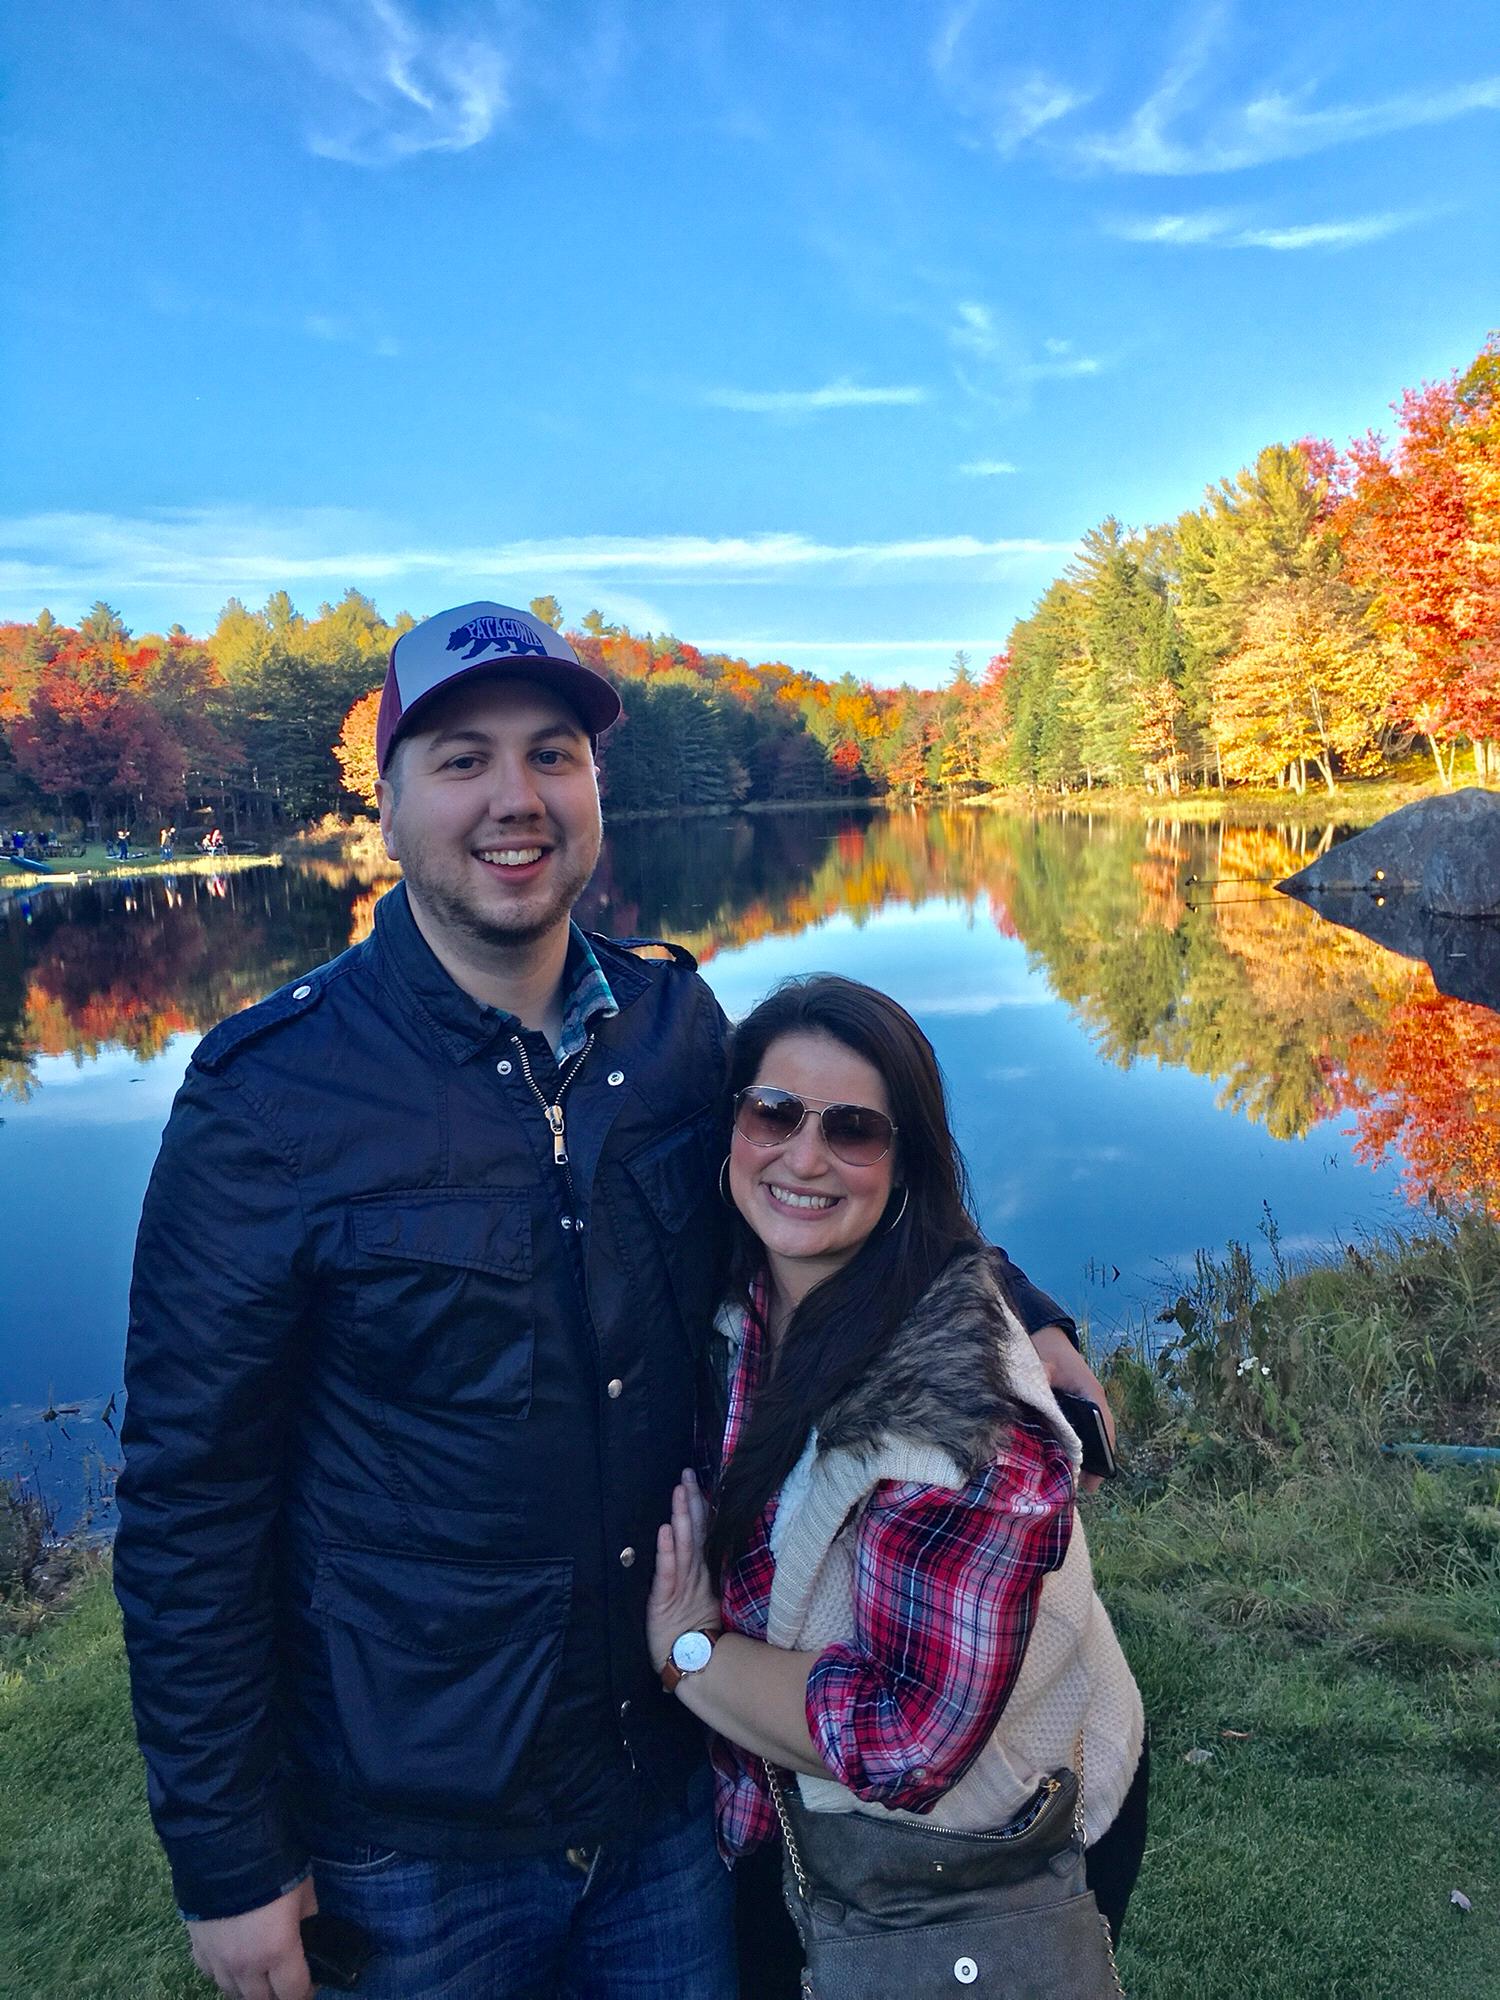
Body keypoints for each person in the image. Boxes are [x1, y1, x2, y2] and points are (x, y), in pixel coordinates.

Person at [115, 599, 1114, 2000]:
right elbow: (188, 1499)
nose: (514, 799)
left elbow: (803, 1198)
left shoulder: (667, 1026)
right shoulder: (269, 1098)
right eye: (461, 758)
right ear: (387, 802)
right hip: (416, 1838)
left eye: (553, 754)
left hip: (665, 1783)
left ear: (596, 793)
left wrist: (1018, 1297)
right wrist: (229, 1859)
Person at [646, 976, 1148, 1999]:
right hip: (796, 1832)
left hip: (982, 1850)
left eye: (855, 1129)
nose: (804, 1155)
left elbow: (910, 1735)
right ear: (732, 1123)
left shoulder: (966, 1427)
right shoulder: (745, 1286)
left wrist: (688, 1652)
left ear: (905, 1161)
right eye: (774, 1111)